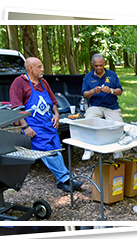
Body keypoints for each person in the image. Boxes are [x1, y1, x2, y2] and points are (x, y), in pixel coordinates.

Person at [9, 57, 83, 192]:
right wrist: (25, 127)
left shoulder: (43, 82)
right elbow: (17, 109)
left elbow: (53, 102)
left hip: (49, 124)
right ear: (30, 68)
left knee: (57, 150)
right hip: (34, 126)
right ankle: (66, 178)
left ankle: (62, 180)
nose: (43, 69)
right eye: (39, 66)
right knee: (48, 151)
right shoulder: (19, 83)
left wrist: (57, 115)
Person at [81, 53, 124, 160]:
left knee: (118, 125)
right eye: (96, 66)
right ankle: (88, 149)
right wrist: (93, 91)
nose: (99, 68)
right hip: (96, 106)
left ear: (104, 63)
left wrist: (111, 90)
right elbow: (84, 94)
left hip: (111, 106)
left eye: (101, 65)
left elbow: (120, 92)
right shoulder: (88, 77)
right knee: (88, 120)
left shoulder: (112, 75)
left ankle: (117, 151)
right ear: (92, 64)